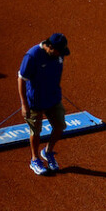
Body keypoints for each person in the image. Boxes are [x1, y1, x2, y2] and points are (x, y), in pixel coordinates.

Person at [18, 33, 69, 175]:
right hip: (35, 101)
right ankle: (34, 159)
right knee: (36, 131)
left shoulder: (58, 54)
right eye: (59, 51)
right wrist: (24, 104)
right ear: (50, 47)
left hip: (53, 99)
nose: (61, 55)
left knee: (59, 126)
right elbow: (21, 79)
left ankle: (48, 152)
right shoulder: (32, 56)